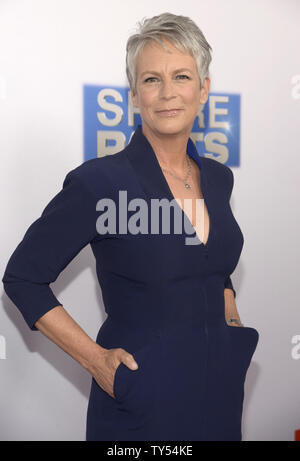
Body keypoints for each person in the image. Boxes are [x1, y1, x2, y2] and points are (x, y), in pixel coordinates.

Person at [2, 12, 259, 441]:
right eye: (151, 80)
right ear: (135, 96)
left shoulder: (218, 177)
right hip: (142, 400)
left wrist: (229, 311)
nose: (167, 93)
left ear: (204, 89)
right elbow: (23, 277)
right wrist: (96, 361)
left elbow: (212, 259)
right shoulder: (99, 183)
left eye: (181, 76)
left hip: (220, 395)